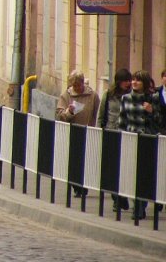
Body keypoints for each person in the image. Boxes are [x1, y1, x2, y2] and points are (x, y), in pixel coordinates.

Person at [120, 70, 161, 220]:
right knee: (132, 174)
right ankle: (136, 206)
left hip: (147, 140)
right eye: (133, 80)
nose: (134, 82)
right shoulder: (126, 98)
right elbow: (122, 121)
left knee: (144, 175)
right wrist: (121, 137)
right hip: (131, 139)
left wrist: (151, 111)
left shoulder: (153, 98)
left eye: (138, 80)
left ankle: (141, 206)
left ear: (145, 83)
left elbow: (159, 120)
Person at [55, 70, 100, 198]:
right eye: (74, 86)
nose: (76, 88)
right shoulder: (66, 95)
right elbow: (59, 115)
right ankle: (76, 185)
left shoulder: (92, 95)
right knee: (73, 161)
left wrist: (95, 127)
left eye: (78, 85)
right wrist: (69, 112)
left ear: (82, 83)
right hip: (72, 133)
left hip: (88, 132)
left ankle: (83, 185)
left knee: (85, 161)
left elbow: (97, 112)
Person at [97, 68, 132, 212]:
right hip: (111, 133)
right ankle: (116, 198)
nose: (128, 83)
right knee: (112, 168)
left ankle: (122, 197)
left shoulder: (132, 95)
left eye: (129, 80)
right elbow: (101, 115)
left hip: (126, 134)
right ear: (119, 82)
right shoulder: (108, 95)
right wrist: (99, 131)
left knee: (124, 168)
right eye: (125, 81)